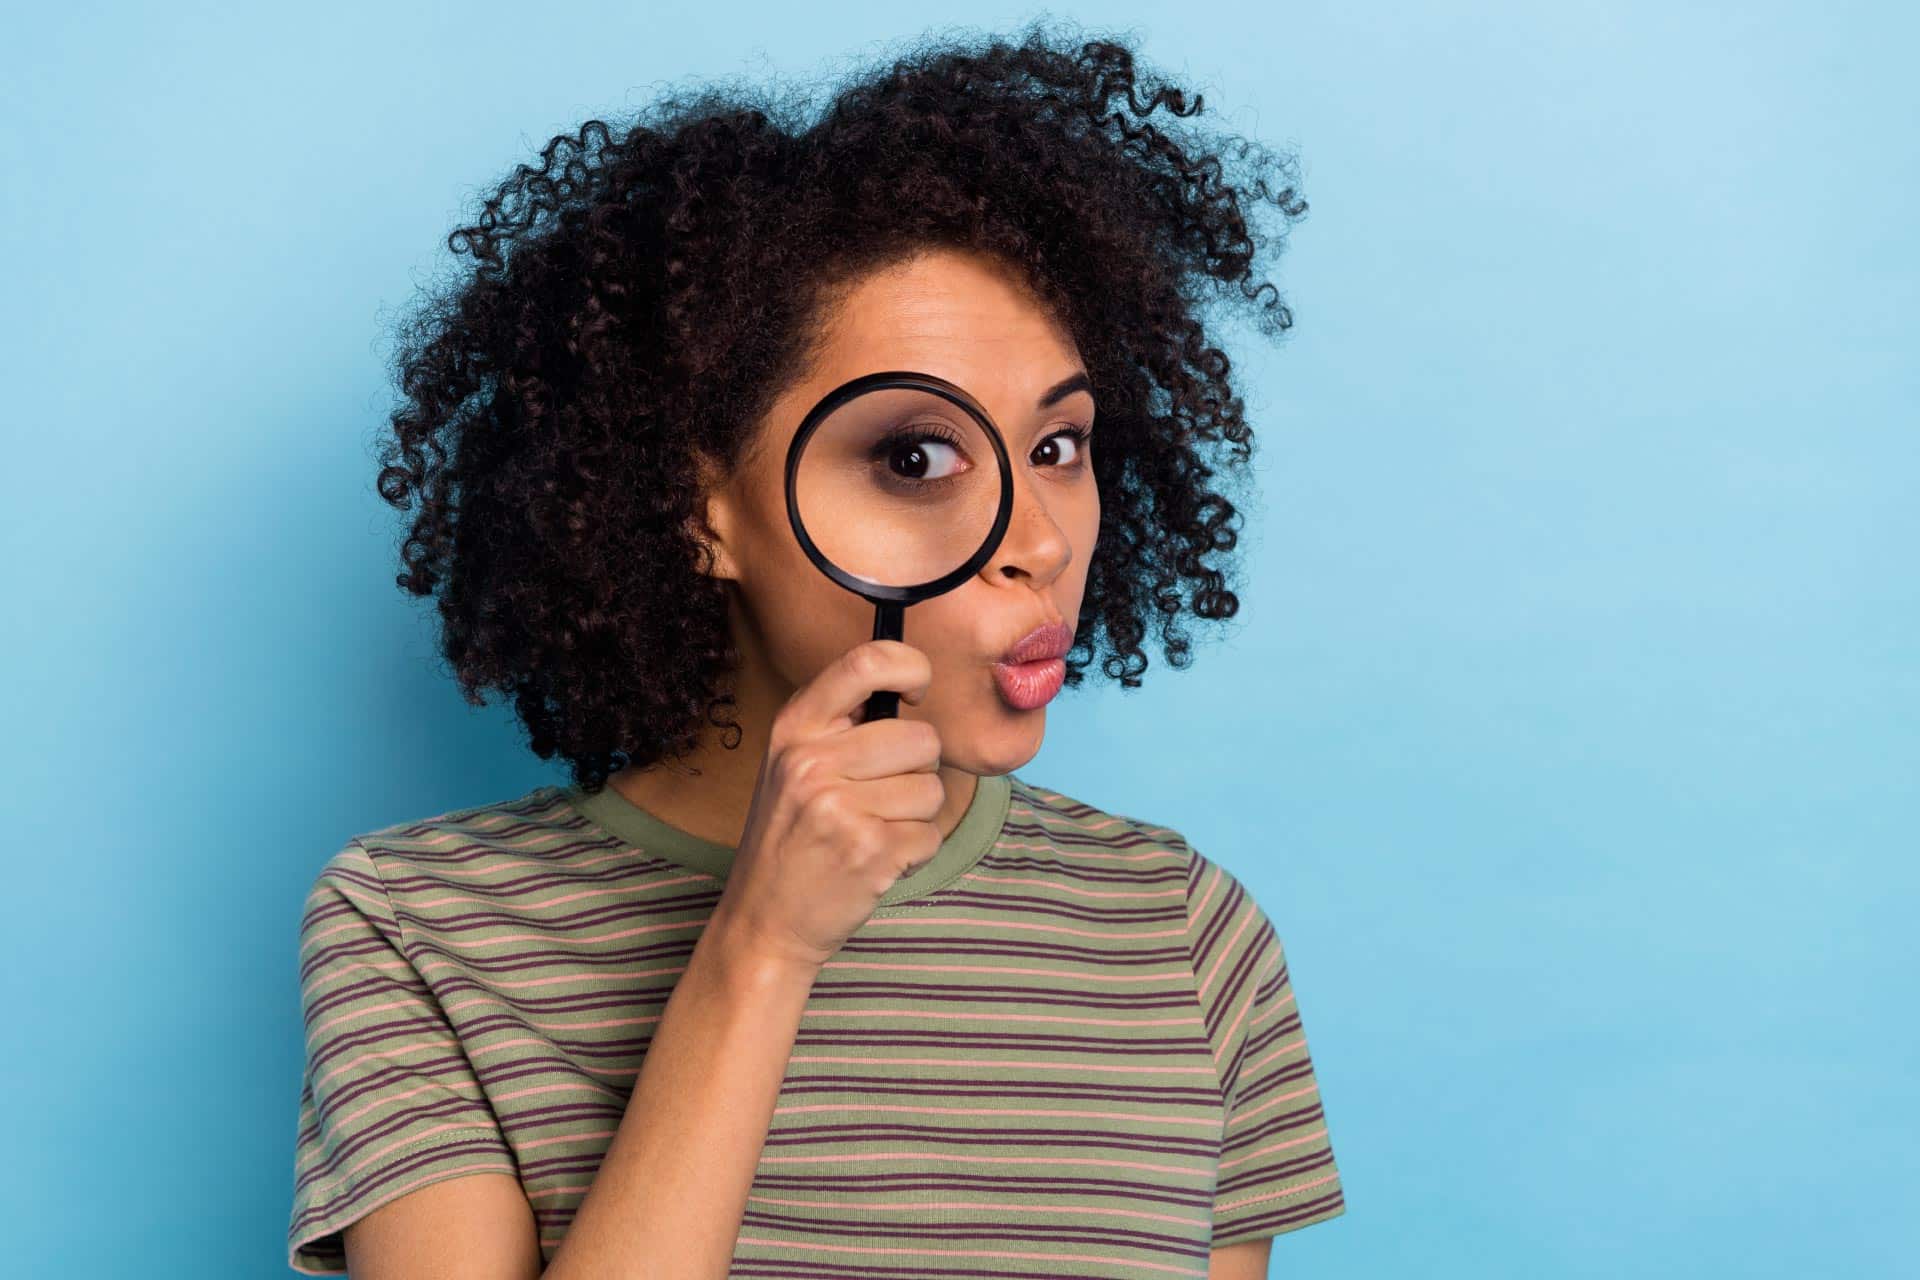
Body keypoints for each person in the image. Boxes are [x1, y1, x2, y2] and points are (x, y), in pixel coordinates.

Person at [287, 20, 1345, 1278]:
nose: (1041, 540)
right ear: (701, 512)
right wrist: (762, 948)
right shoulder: (419, 927)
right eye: (916, 454)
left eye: (1058, 446)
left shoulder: (1185, 934)